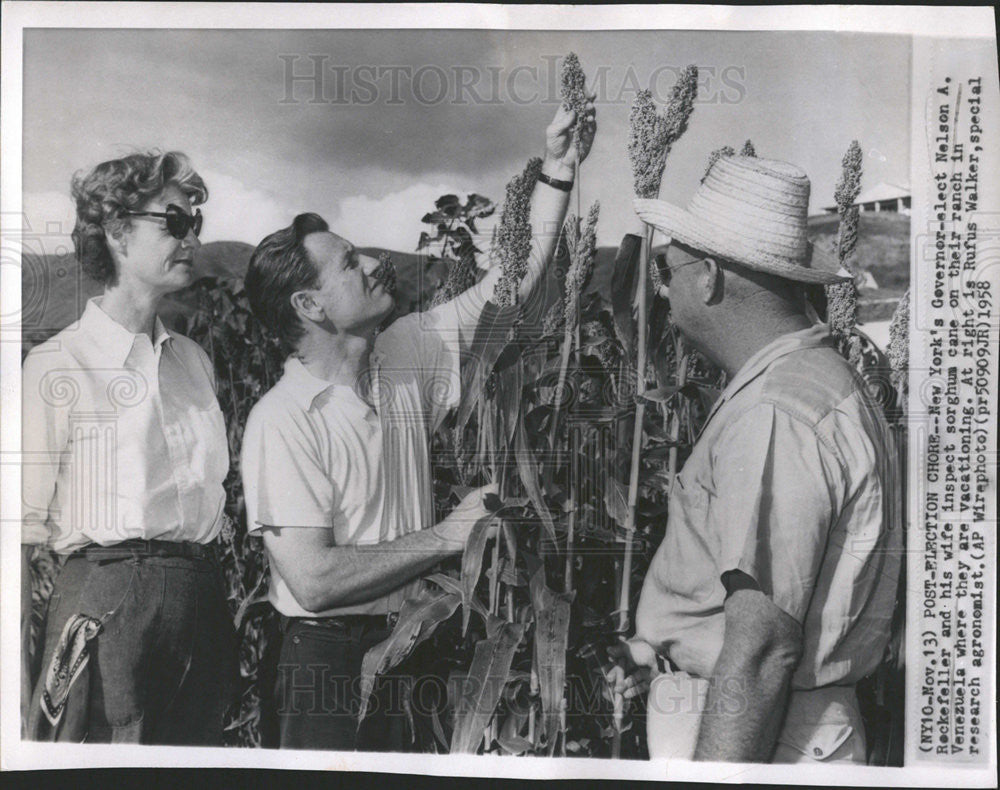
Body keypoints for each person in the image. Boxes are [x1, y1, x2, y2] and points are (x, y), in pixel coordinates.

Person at [241, 98, 596, 751]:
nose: (376, 263)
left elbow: (508, 289)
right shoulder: (281, 422)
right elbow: (314, 583)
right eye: (350, 263)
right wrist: (445, 538)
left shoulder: (405, 349)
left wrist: (557, 171)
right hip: (326, 663)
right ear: (309, 304)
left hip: (410, 643)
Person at [610, 155, 902, 764]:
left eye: (669, 271)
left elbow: (764, 646)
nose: (663, 291)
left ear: (710, 277)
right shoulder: (816, 381)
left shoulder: (778, 409)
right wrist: (668, 648)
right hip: (773, 722)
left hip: (759, 736)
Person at [21, 151, 239, 743]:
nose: (190, 236)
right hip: (104, 611)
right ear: (116, 231)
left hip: (198, 607)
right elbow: (12, 536)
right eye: (174, 221)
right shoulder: (55, 366)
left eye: (194, 222)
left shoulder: (192, 361)